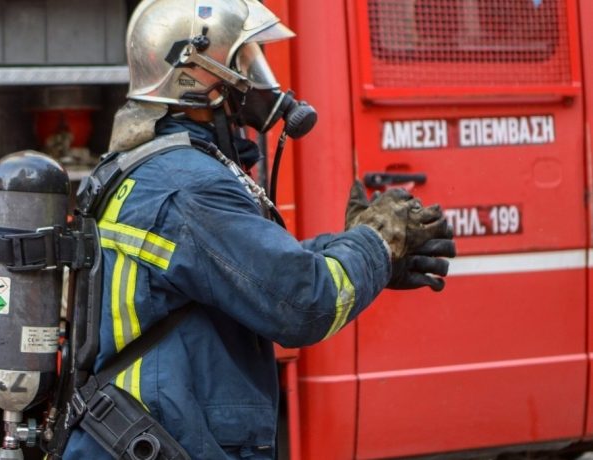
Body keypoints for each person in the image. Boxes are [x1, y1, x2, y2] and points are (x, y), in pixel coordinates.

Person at [61, 0, 455, 458]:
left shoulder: (146, 170)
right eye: (245, 61)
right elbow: (304, 303)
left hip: (142, 435)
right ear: (197, 73)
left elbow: (237, 270)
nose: (260, 80)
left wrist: (366, 255)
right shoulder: (189, 185)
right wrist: (377, 242)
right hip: (171, 438)